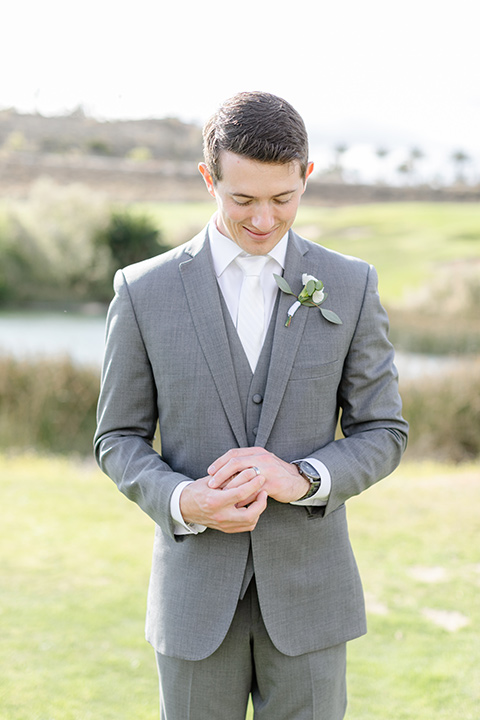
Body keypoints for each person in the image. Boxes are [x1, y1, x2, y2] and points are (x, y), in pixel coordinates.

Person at [94, 91, 408, 720]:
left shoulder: (350, 284)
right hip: (192, 600)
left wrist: (305, 477)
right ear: (209, 178)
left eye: (282, 198)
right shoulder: (143, 291)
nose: (264, 219)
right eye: (242, 200)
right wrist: (185, 500)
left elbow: (384, 429)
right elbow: (117, 439)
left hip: (312, 599)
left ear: (306, 178)